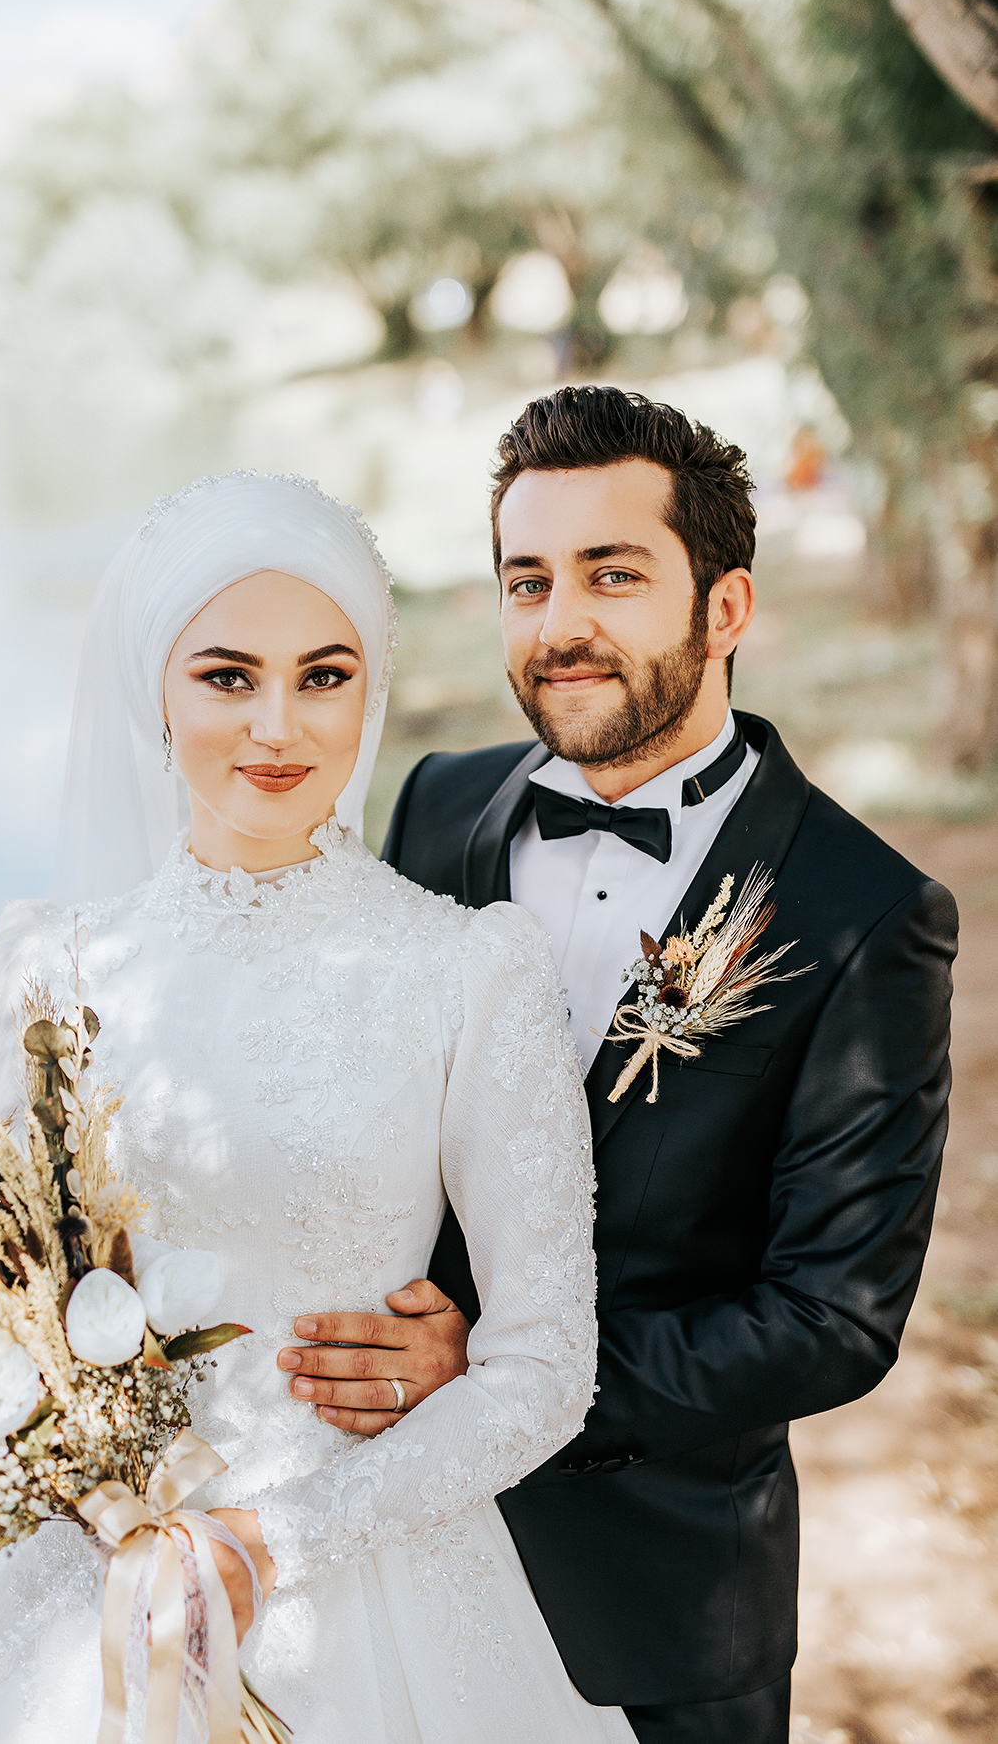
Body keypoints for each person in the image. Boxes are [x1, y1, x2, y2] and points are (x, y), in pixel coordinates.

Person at [0, 470, 637, 1744]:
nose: (278, 727)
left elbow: (542, 1366)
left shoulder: (470, 967)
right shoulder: (51, 965)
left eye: (323, 675)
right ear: (153, 685)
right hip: (82, 1561)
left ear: (370, 688)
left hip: (364, 1572)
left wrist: (267, 1542)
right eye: (225, 675)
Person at [276, 390, 957, 1744]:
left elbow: (830, 1317)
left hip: (650, 1600)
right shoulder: (437, 806)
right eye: (526, 580)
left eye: (614, 575)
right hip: (385, 1562)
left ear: (727, 608)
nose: (559, 625)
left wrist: (494, 1373)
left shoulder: (858, 913)